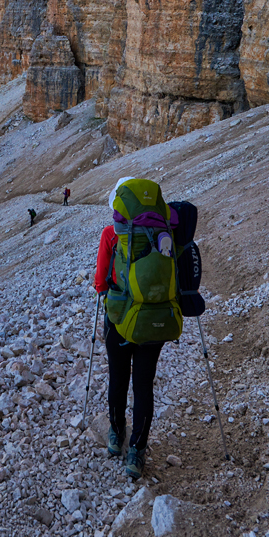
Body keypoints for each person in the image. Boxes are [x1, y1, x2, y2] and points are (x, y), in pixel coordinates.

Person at [94, 198, 164, 480]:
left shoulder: (112, 233)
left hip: (120, 317)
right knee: (144, 384)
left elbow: (100, 283)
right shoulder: (163, 232)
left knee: (118, 376)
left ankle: (116, 432)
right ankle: (137, 450)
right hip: (153, 319)